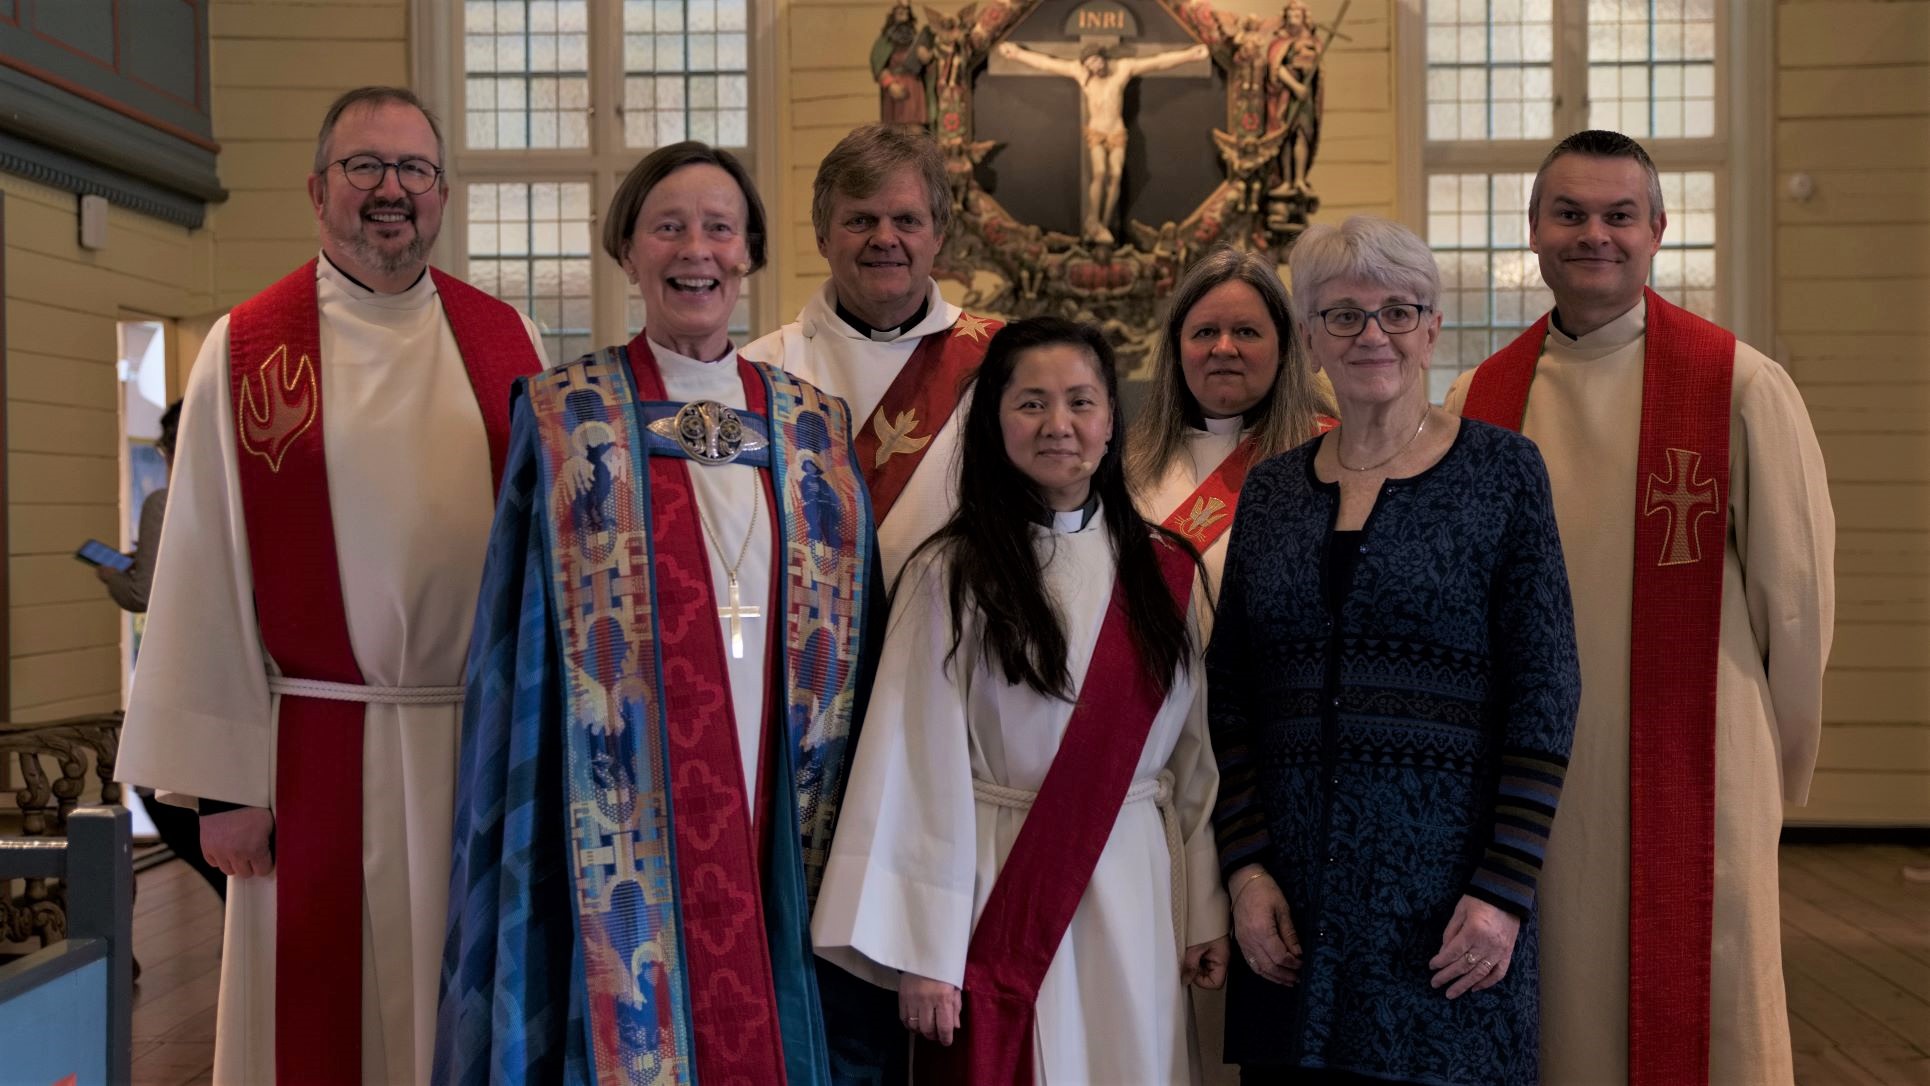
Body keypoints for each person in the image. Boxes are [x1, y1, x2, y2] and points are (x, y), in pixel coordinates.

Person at [113, 86, 549, 1084]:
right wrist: (223, 786)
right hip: (311, 750)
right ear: (318, 191)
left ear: (442, 196)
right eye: (365, 166)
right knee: (316, 1020)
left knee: (464, 1016)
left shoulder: (507, 341)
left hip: (473, 745)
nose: (391, 189)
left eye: (414, 169)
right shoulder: (248, 346)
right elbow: (203, 570)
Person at [435, 141, 878, 1085]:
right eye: (668, 227)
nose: (696, 250)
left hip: (788, 782)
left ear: (750, 252)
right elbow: (518, 651)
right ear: (628, 251)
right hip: (620, 795)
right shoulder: (568, 418)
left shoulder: (814, 429)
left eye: (720, 228)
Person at [1446, 130, 1836, 1086]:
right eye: (1570, 214)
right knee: (1560, 999)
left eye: (1620, 215)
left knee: (1707, 995)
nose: (1596, 235)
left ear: (1658, 230)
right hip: (1533, 778)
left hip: (1697, 758)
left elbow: (1796, 601)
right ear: (1533, 230)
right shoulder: (1478, 396)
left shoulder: (1738, 385)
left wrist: (1769, 763)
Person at [1211, 215, 1580, 1085]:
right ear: (1310, 339)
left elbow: (1546, 689)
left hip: (1447, 913)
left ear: (1432, 328)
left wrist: (1503, 890)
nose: (1372, 334)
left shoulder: (1503, 474)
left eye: (1398, 311)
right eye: (1343, 314)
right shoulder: (1271, 493)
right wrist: (1246, 869)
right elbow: (1229, 696)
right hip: (1291, 909)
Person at [813, 317, 1231, 1084]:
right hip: (1001, 885)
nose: (1058, 425)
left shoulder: (1165, 572)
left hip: (1136, 884)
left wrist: (1203, 906)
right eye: (1031, 403)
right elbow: (912, 767)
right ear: (994, 421)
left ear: (1112, 420)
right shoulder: (951, 574)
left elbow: (1193, 761)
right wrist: (925, 952)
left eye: (1081, 402)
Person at [743, 123, 1000, 581]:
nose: (884, 238)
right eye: (860, 220)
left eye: (907, 220)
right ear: (822, 237)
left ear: (938, 236)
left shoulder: (1001, 364)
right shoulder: (760, 373)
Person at [1128, 243, 1334, 608]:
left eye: (1246, 332)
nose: (1224, 348)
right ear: (1178, 349)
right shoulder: (1129, 462)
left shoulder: (1331, 454)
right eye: (1205, 332)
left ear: (1284, 346)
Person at [95, 401, 227, 902]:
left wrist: (112, 574)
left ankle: (229, 900)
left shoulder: (164, 501)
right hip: (246, 670)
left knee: (157, 786)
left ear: (174, 448)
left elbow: (143, 594)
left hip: (186, 666)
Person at [994, 39, 1210, 243]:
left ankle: (1102, 224)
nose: (1094, 67)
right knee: (1099, 173)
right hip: (1096, 131)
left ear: (1103, 57)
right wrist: (1017, 54)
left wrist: (1190, 55)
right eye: (1089, 65)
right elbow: (1047, 64)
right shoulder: (1080, 72)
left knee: (1115, 176)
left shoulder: (1123, 69)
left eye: (1096, 61)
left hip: (1116, 132)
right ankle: (1092, 219)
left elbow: (1158, 62)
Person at [871, 2, 933, 126]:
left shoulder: (916, 39)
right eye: (900, 12)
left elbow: (927, 65)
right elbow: (878, 66)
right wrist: (890, 84)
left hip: (914, 87)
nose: (903, 15)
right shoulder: (885, 42)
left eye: (906, 12)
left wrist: (926, 57)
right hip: (895, 87)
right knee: (896, 130)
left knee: (915, 128)